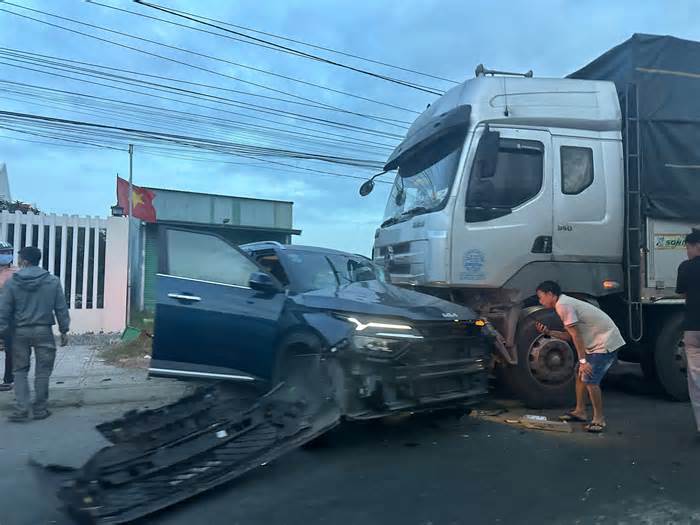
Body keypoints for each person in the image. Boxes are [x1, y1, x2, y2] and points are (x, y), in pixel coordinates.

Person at [535, 281, 625, 433]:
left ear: (550, 294)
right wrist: (549, 332)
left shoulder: (564, 306)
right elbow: (568, 336)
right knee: (580, 373)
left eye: (541, 297)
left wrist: (583, 361)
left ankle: (599, 419)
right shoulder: (563, 304)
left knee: (590, 378)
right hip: (596, 342)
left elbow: (576, 337)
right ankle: (580, 411)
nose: (540, 301)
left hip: (605, 342)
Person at [0, 246, 70, 422]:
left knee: (20, 371)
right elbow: (61, 308)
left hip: (19, 332)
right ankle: (40, 409)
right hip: (43, 330)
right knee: (43, 371)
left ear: (24, 261)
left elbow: (4, 310)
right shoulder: (52, 281)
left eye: (19, 259)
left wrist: (2, 331)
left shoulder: (12, 282)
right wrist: (64, 330)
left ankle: (22, 410)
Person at [676, 229, 700, 436]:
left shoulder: (685, 268)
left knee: (695, 377)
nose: (687, 252)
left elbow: (683, 293)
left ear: (696, 246)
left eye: (688, 247)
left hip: (693, 327)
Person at [0, 241, 16, 391]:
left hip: (10, 318)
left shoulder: (16, 273)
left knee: (11, 349)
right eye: (3, 253)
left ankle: (8, 379)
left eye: (9, 252)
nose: (7, 256)